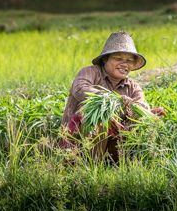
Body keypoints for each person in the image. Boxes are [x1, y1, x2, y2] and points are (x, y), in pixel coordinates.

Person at [60, 31, 160, 161]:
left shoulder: (133, 86)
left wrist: (131, 107)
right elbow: (80, 89)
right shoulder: (90, 72)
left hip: (115, 148)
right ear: (105, 59)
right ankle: (92, 165)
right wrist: (114, 100)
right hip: (79, 141)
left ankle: (127, 164)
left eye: (129, 61)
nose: (125, 64)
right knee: (102, 118)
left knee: (147, 120)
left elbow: (142, 106)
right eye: (118, 59)